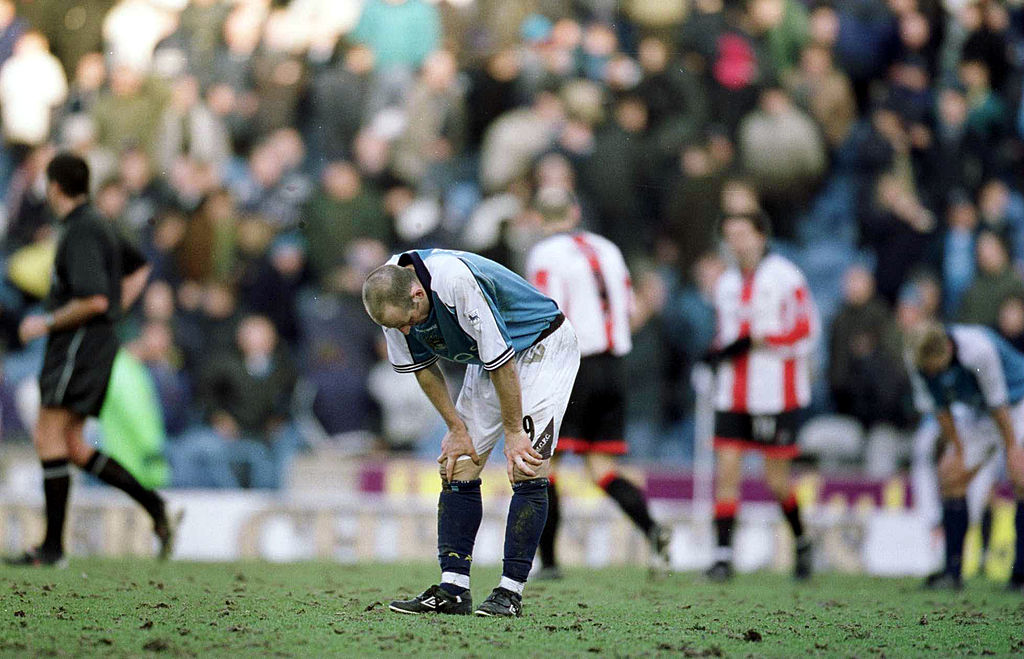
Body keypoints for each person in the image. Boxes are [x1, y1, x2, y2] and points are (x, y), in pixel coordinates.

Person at [362, 247, 579, 617]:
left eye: (409, 322)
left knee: (526, 464)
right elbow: (421, 366)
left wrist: (513, 433)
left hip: (540, 345)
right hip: (490, 357)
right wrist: (455, 428)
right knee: (458, 462)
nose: (406, 330)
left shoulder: (454, 280)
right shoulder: (391, 296)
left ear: (418, 293)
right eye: (396, 327)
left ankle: (510, 592)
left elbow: (503, 359)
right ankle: (453, 588)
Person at [7, 152, 180, 567]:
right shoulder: (100, 222)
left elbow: (95, 299)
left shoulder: (80, 230)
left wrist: (45, 321)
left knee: (48, 435)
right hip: (95, 345)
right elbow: (139, 270)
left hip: (76, 344)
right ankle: (153, 505)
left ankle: (52, 549)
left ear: (53, 187)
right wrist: (117, 313)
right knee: (72, 444)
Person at [523, 187, 670, 580]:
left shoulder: (544, 255)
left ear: (538, 219)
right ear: (575, 211)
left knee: (542, 464)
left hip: (575, 366)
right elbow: (630, 309)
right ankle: (653, 529)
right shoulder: (608, 249)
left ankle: (550, 562)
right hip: (614, 366)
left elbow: (545, 313)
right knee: (601, 466)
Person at [703, 209, 818, 582]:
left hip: (774, 392)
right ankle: (723, 556)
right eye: (730, 236)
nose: (737, 243)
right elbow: (725, 336)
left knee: (777, 479)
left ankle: (802, 541)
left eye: (743, 234)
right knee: (727, 470)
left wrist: (762, 339)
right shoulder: (726, 284)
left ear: (761, 237)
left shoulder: (786, 277)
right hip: (732, 394)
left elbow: (806, 331)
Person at [907, 322, 1024, 591]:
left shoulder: (978, 352)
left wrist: (1012, 450)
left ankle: (1020, 574)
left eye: (936, 367)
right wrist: (958, 451)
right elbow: (940, 409)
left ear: (947, 350)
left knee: (1020, 477)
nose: (932, 373)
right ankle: (952, 571)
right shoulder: (918, 359)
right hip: (979, 411)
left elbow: (998, 401)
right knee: (950, 475)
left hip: (1015, 403)